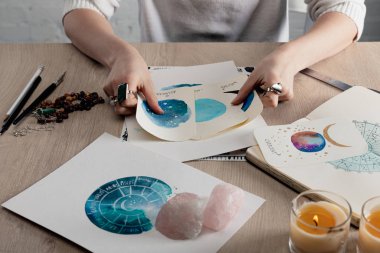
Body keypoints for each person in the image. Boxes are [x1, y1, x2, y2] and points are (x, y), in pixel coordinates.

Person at [62, 0, 366, 115]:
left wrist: (289, 58)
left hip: (265, 86)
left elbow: (347, 11)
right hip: (159, 81)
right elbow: (80, 9)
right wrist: (119, 55)